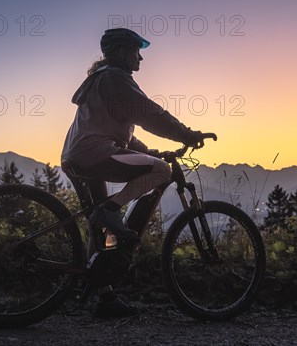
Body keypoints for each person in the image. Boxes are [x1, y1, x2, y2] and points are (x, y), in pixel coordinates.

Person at [61, 28, 206, 318]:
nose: (140, 57)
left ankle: (105, 298)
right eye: (135, 51)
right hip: (95, 153)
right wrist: (185, 135)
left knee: (99, 226)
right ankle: (113, 208)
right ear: (120, 52)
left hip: (77, 155)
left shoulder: (99, 80)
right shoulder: (115, 77)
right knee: (162, 171)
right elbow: (148, 113)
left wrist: (149, 152)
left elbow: (121, 136)